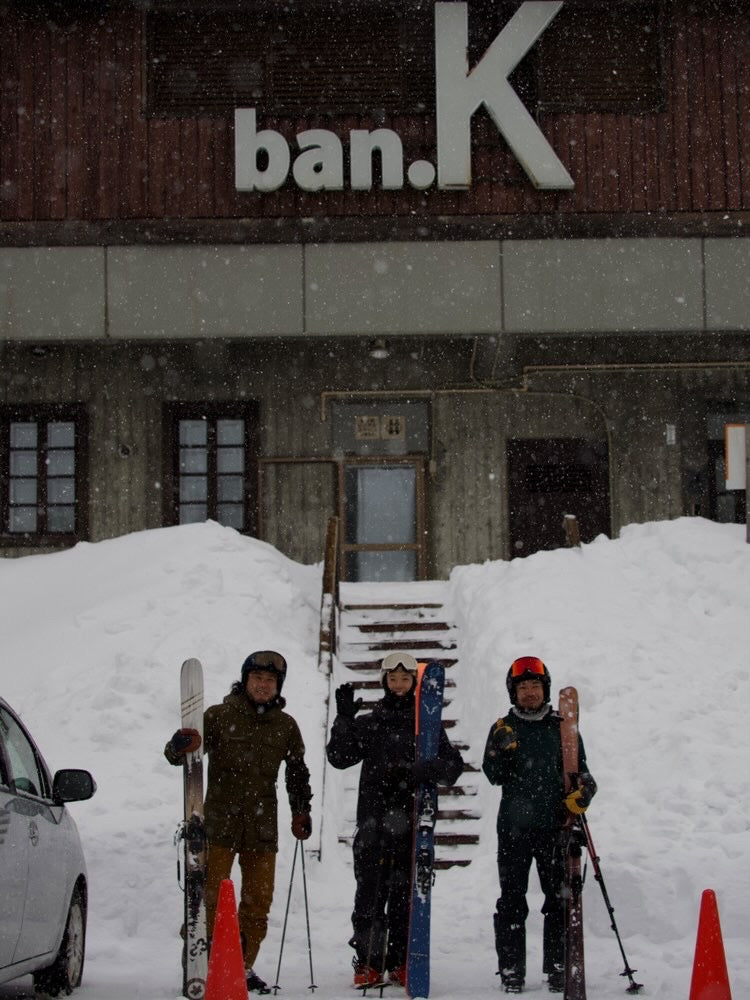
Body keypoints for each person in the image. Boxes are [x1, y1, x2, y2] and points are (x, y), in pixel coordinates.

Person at [164, 650, 312, 995]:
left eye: (270, 681)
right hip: (217, 825)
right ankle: (200, 960)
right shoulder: (219, 716)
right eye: (257, 679)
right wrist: (178, 745)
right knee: (208, 897)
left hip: (262, 829)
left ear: (278, 687)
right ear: (245, 681)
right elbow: (180, 757)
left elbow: (297, 773)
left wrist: (300, 810)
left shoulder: (286, 726)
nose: (263, 686)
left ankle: (241, 965)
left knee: (258, 901)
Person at [326, 651, 464, 988]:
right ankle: (370, 961)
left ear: (414, 683)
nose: (399, 685)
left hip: (411, 826)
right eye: (393, 679)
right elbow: (339, 757)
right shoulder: (371, 723)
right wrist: (343, 719)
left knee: (404, 897)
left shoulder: (426, 725)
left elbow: (453, 767)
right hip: (373, 825)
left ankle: (401, 961)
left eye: (405, 679)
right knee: (370, 895)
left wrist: (427, 769)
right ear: (384, 683)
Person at [482, 656, 597, 995]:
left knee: (559, 900)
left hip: (555, 827)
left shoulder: (563, 726)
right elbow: (492, 776)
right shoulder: (503, 727)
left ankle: (558, 966)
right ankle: (511, 969)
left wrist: (584, 793)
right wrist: (499, 754)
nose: (529, 693)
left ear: (544, 689)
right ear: (513, 692)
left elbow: (584, 772)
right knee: (512, 900)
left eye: (534, 686)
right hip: (514, 829)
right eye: (523, 687)